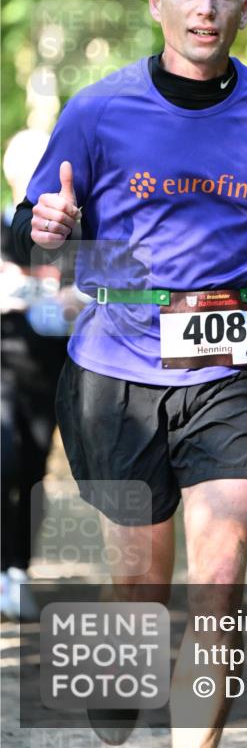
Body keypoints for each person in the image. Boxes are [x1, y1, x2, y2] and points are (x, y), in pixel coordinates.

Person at [11, 0, 247, 746]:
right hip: (117, 371)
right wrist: (44, 225)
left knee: (217, 587)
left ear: (244, 10)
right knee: (139, 594)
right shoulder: (98, 110)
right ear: (158, 3)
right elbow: (24, 231)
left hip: (236, 368)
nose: (205, 9)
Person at [1, 129, 70, 621]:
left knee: (32, 472)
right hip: (2, 367)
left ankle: (18, 568)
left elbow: (92, 293)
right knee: (4, 459)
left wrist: (69, 298)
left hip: (51, 373)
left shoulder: (70, 238)